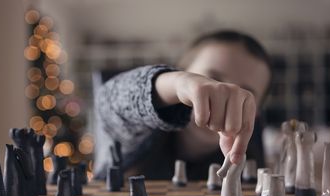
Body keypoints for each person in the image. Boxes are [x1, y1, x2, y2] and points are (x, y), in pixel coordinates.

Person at [94, 30, 272, 180]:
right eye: (211, 79)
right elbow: (108, 102)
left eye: (245, 93)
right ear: (181, 71)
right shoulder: (139, 134)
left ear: (257, 113)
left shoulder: (253, 166)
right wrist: (176, 83)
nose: (223, 99)